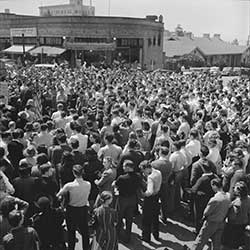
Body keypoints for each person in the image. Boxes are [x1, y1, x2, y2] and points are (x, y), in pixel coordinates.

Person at [57, 164, 91, 250]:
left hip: (71, 210)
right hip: (83, 209)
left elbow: (59, 195)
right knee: (85, 232)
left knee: (71, 232)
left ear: (73, 173)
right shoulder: (88, 184)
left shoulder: (69, 186)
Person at [192, 178, 231, 250]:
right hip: (221, 222)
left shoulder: (215, 199)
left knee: (201, 240)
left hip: (211, 223)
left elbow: (206, 212)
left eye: (212, 186)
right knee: (216, 242)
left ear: (215, 186)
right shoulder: (228, 196)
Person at [114, 160, 142, 243]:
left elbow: (115, 185)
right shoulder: (138, 176)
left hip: (123, 199)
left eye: (124, 166)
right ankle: (127, 237)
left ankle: (117, 235)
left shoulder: (122, 178)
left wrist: (116, 189)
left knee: (119, 217)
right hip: (133, 199)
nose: (122, 168)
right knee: (129, 218)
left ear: (128, 167)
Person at [222, 181, 250, 250]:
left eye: (235, 188)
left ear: (239, 191)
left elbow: (232, 217)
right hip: (244, 222)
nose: (233, 189)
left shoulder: (237, 204)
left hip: (234, 225)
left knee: (231, 244)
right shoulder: (248, 198)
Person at [139, 160, 162, 243]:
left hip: (150, 199)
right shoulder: (158, 172)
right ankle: (156, 234)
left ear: (147, 168)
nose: (143, 172)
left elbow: (149, 192)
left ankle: (146, 237)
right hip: (157, 196)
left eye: (143, 170)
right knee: (155, 217)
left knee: (146, 219)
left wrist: (143, 193)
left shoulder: (150, 177)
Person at [151, 146, 173, 224]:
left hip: (156, 184)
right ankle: (164, 217)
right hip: (165, 184)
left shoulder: (154, 163)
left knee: (155, 201)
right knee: (164, 201)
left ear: (160, 153)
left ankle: (154, 216)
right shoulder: (170, 164)